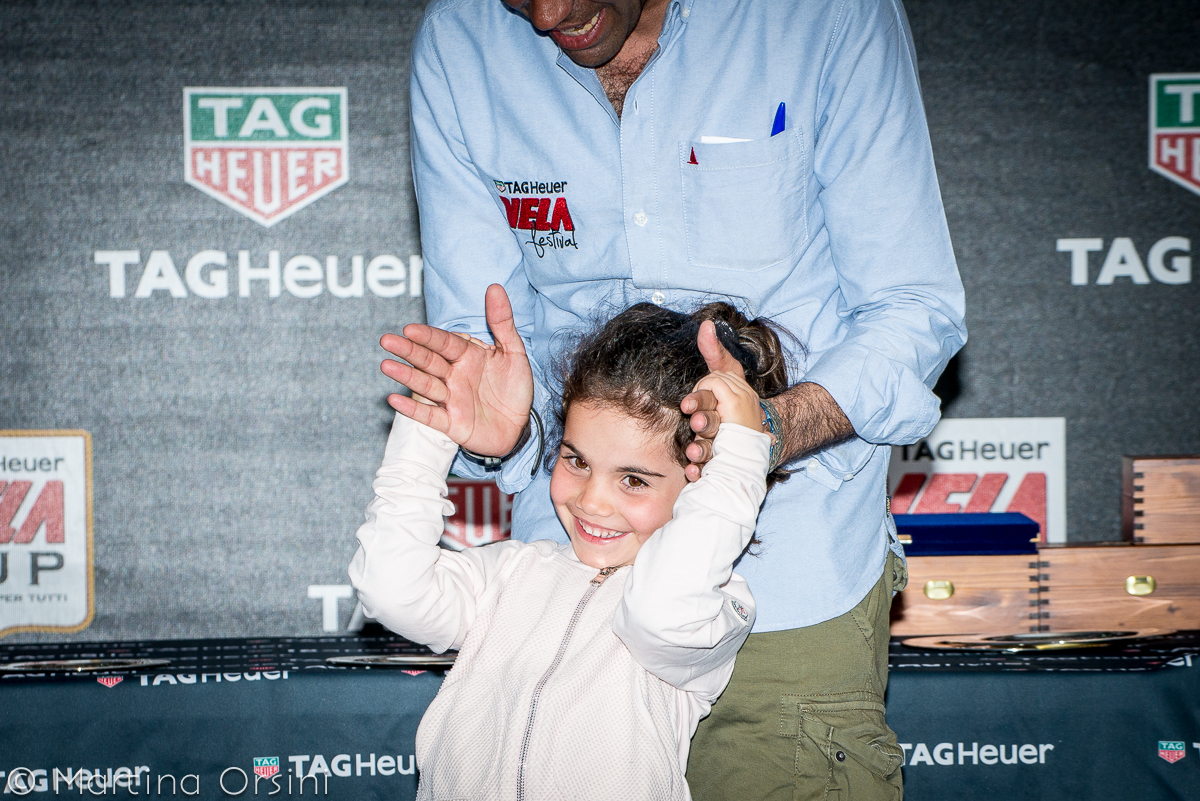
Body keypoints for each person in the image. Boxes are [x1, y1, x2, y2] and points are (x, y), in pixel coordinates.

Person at [393, 0, 967, 797]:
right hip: (573, 582)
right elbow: (488, 339)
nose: (549, 15)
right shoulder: (462, 38)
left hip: (782, 576)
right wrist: (508, 431)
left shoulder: (824, 14)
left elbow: (913, 307)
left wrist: (765, 433)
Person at [351, 293, 789, 799]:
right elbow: (392, 590)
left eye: (633, 480)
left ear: (703, 482)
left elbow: (658, 615)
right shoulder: (512, 572)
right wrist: (430, 429)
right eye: (577, 461)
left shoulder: (711, 609)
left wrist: (739, 454)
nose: (591, 502)